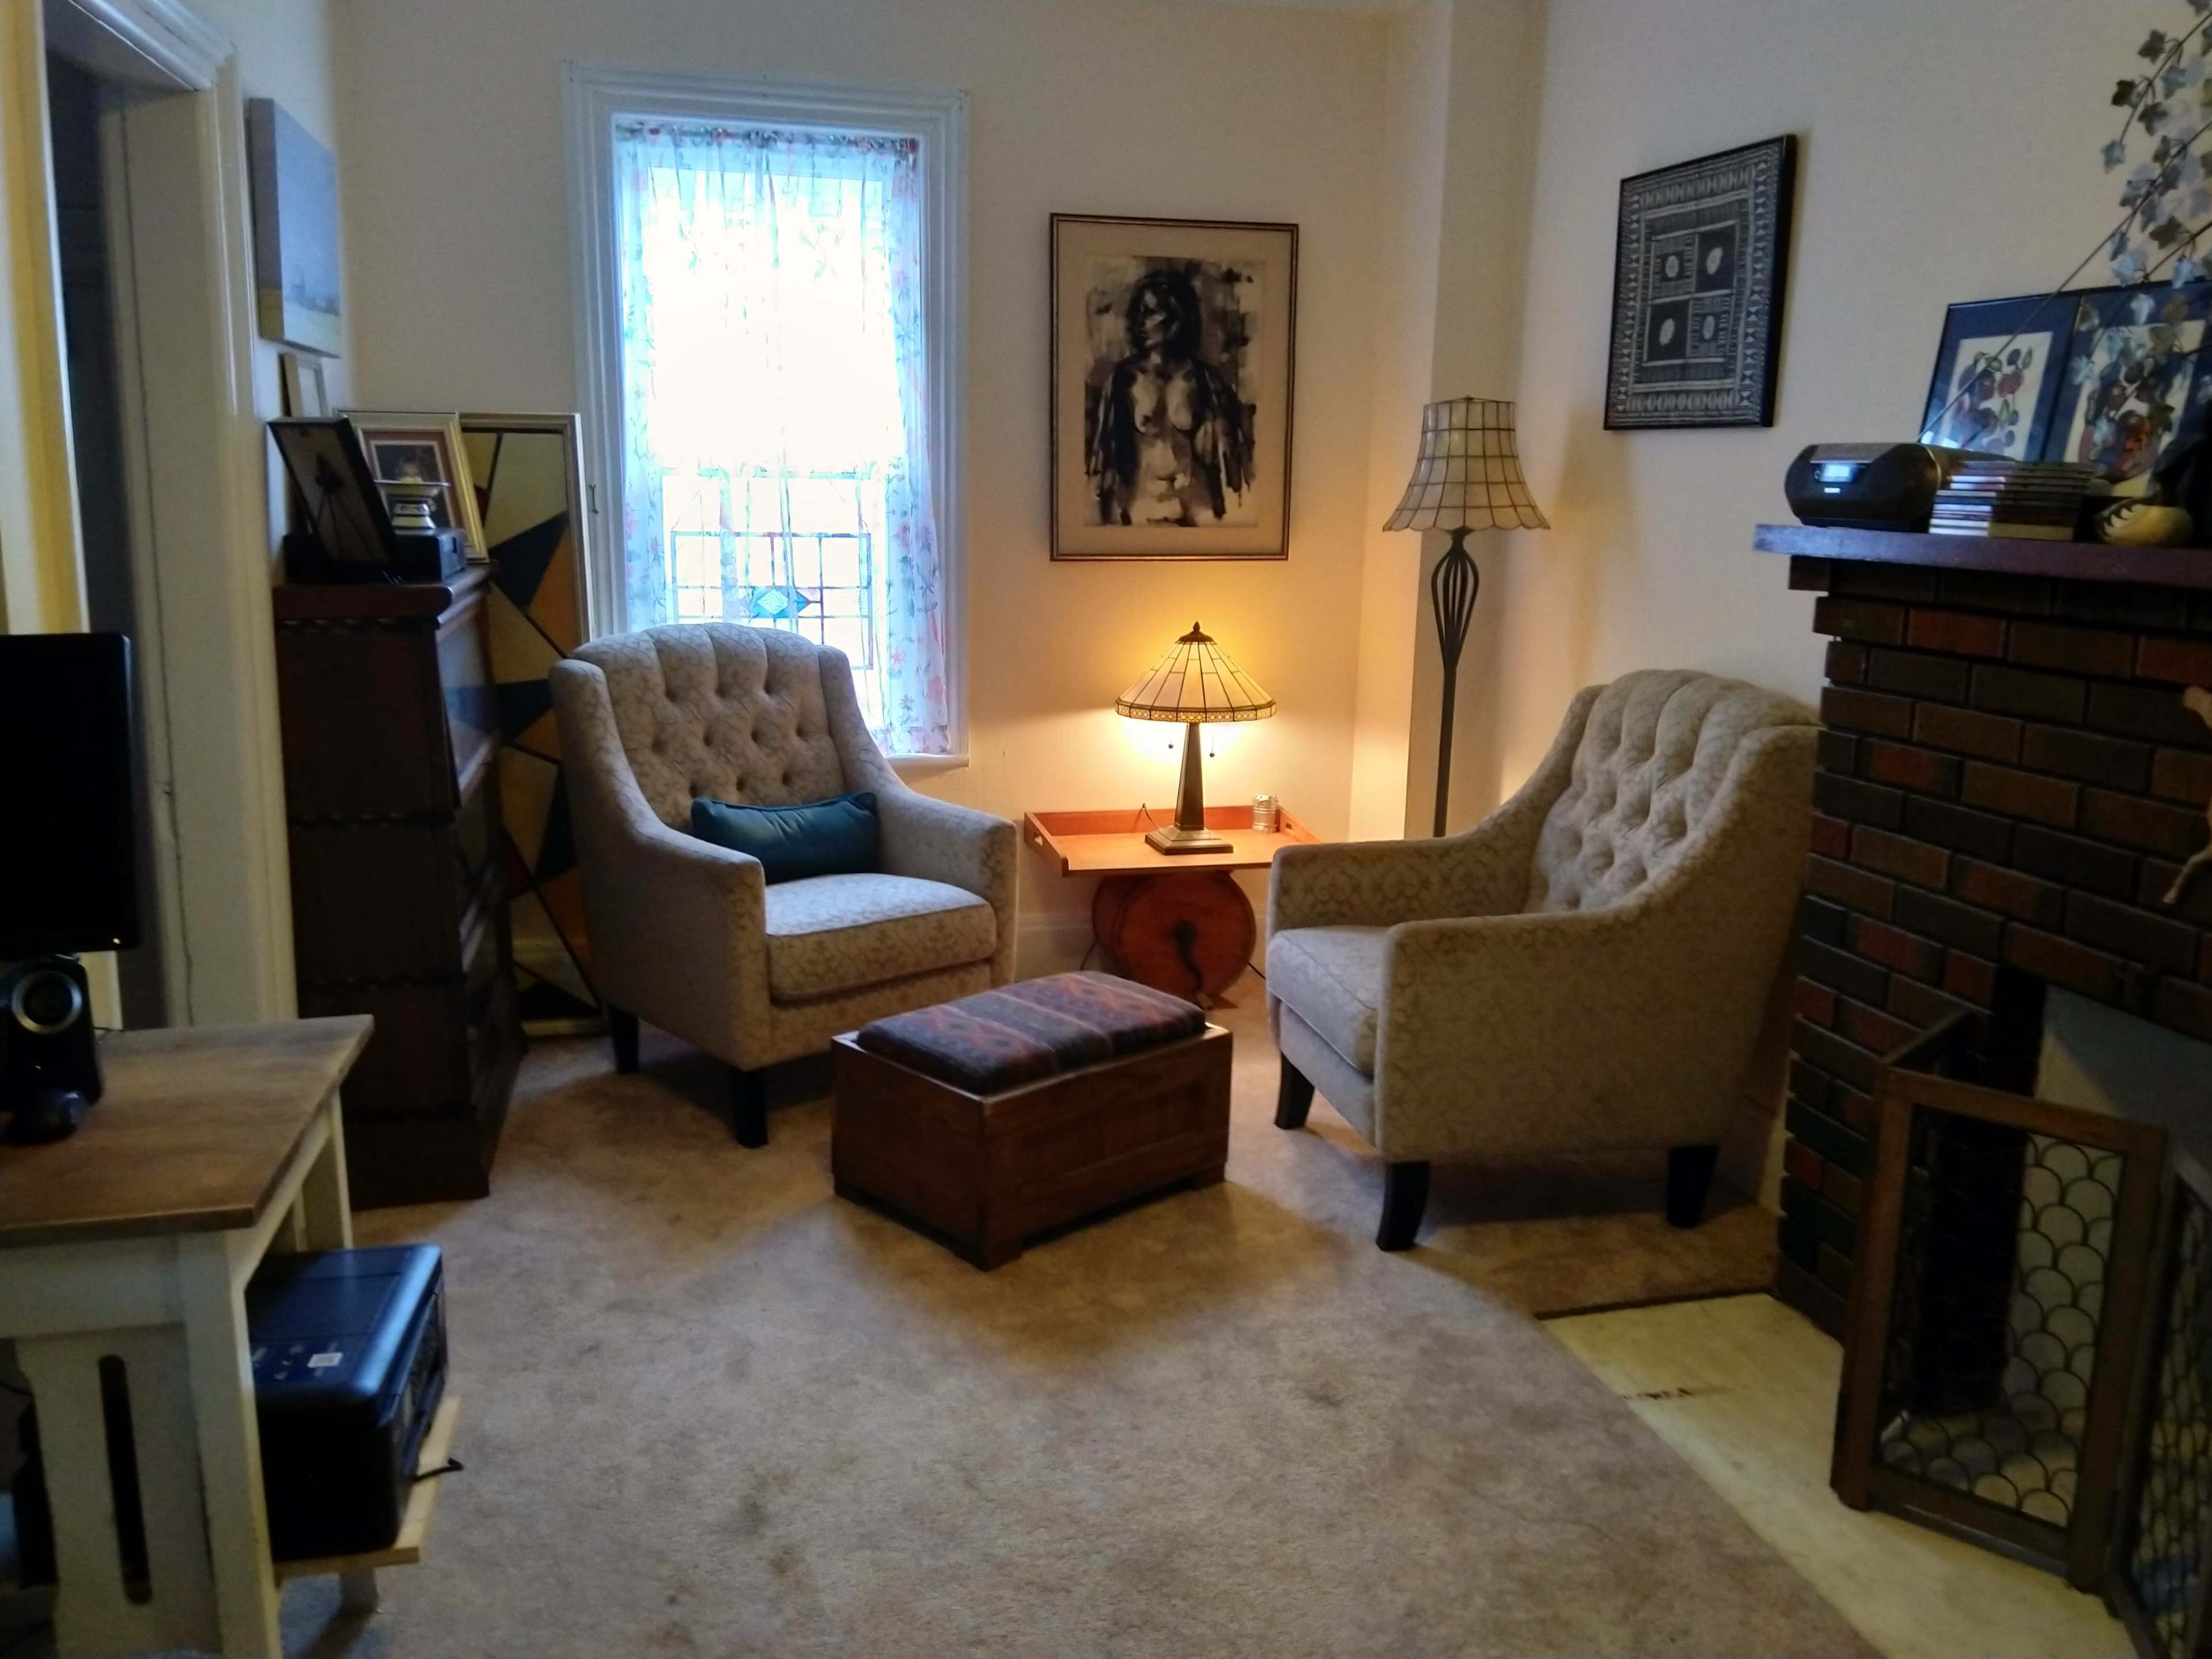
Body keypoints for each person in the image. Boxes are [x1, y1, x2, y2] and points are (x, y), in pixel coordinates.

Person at [1086, 266, 1255, 527]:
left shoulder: (1204, 380)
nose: (1141, 320)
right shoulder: (1124, 380)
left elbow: (1230, 463)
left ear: (1176, 316)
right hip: (1141, 505)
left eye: (1151, 311)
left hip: (1196, 504)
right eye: (1140, 311)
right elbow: (1104, 460)